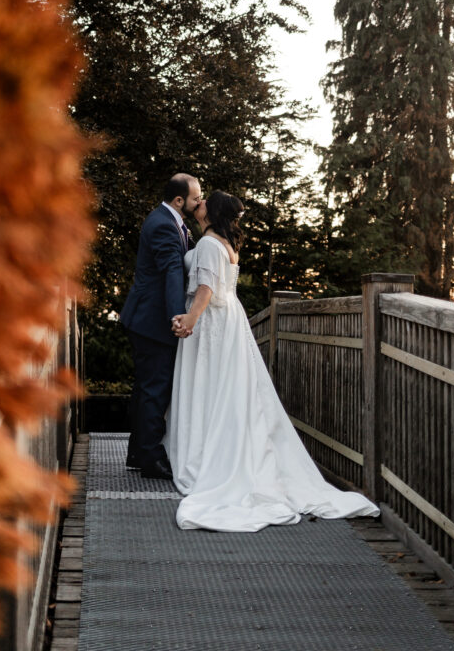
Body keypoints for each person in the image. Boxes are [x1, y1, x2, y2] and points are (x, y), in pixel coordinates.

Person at [165, 190, 379, 530]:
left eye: (205, 201)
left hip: (211, 321)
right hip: (230, 319)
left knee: (208, 384)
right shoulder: (226, 244)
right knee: (227, 388)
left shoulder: (208, 244)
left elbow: (206, 287)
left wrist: (190, 318)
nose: (199, 203)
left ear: (213, 210)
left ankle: (206, 455)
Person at [120, 173, 202, 480]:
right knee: (155, 390)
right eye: (196, 198)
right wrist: (177, 317)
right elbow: (171, 273)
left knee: (146, 388)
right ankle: (151, 459)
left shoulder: (172, 223)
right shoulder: (163, 225)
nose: (199, 203)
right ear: (179, 200)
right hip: (152, 320)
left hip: (145, 318)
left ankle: (138, 451)